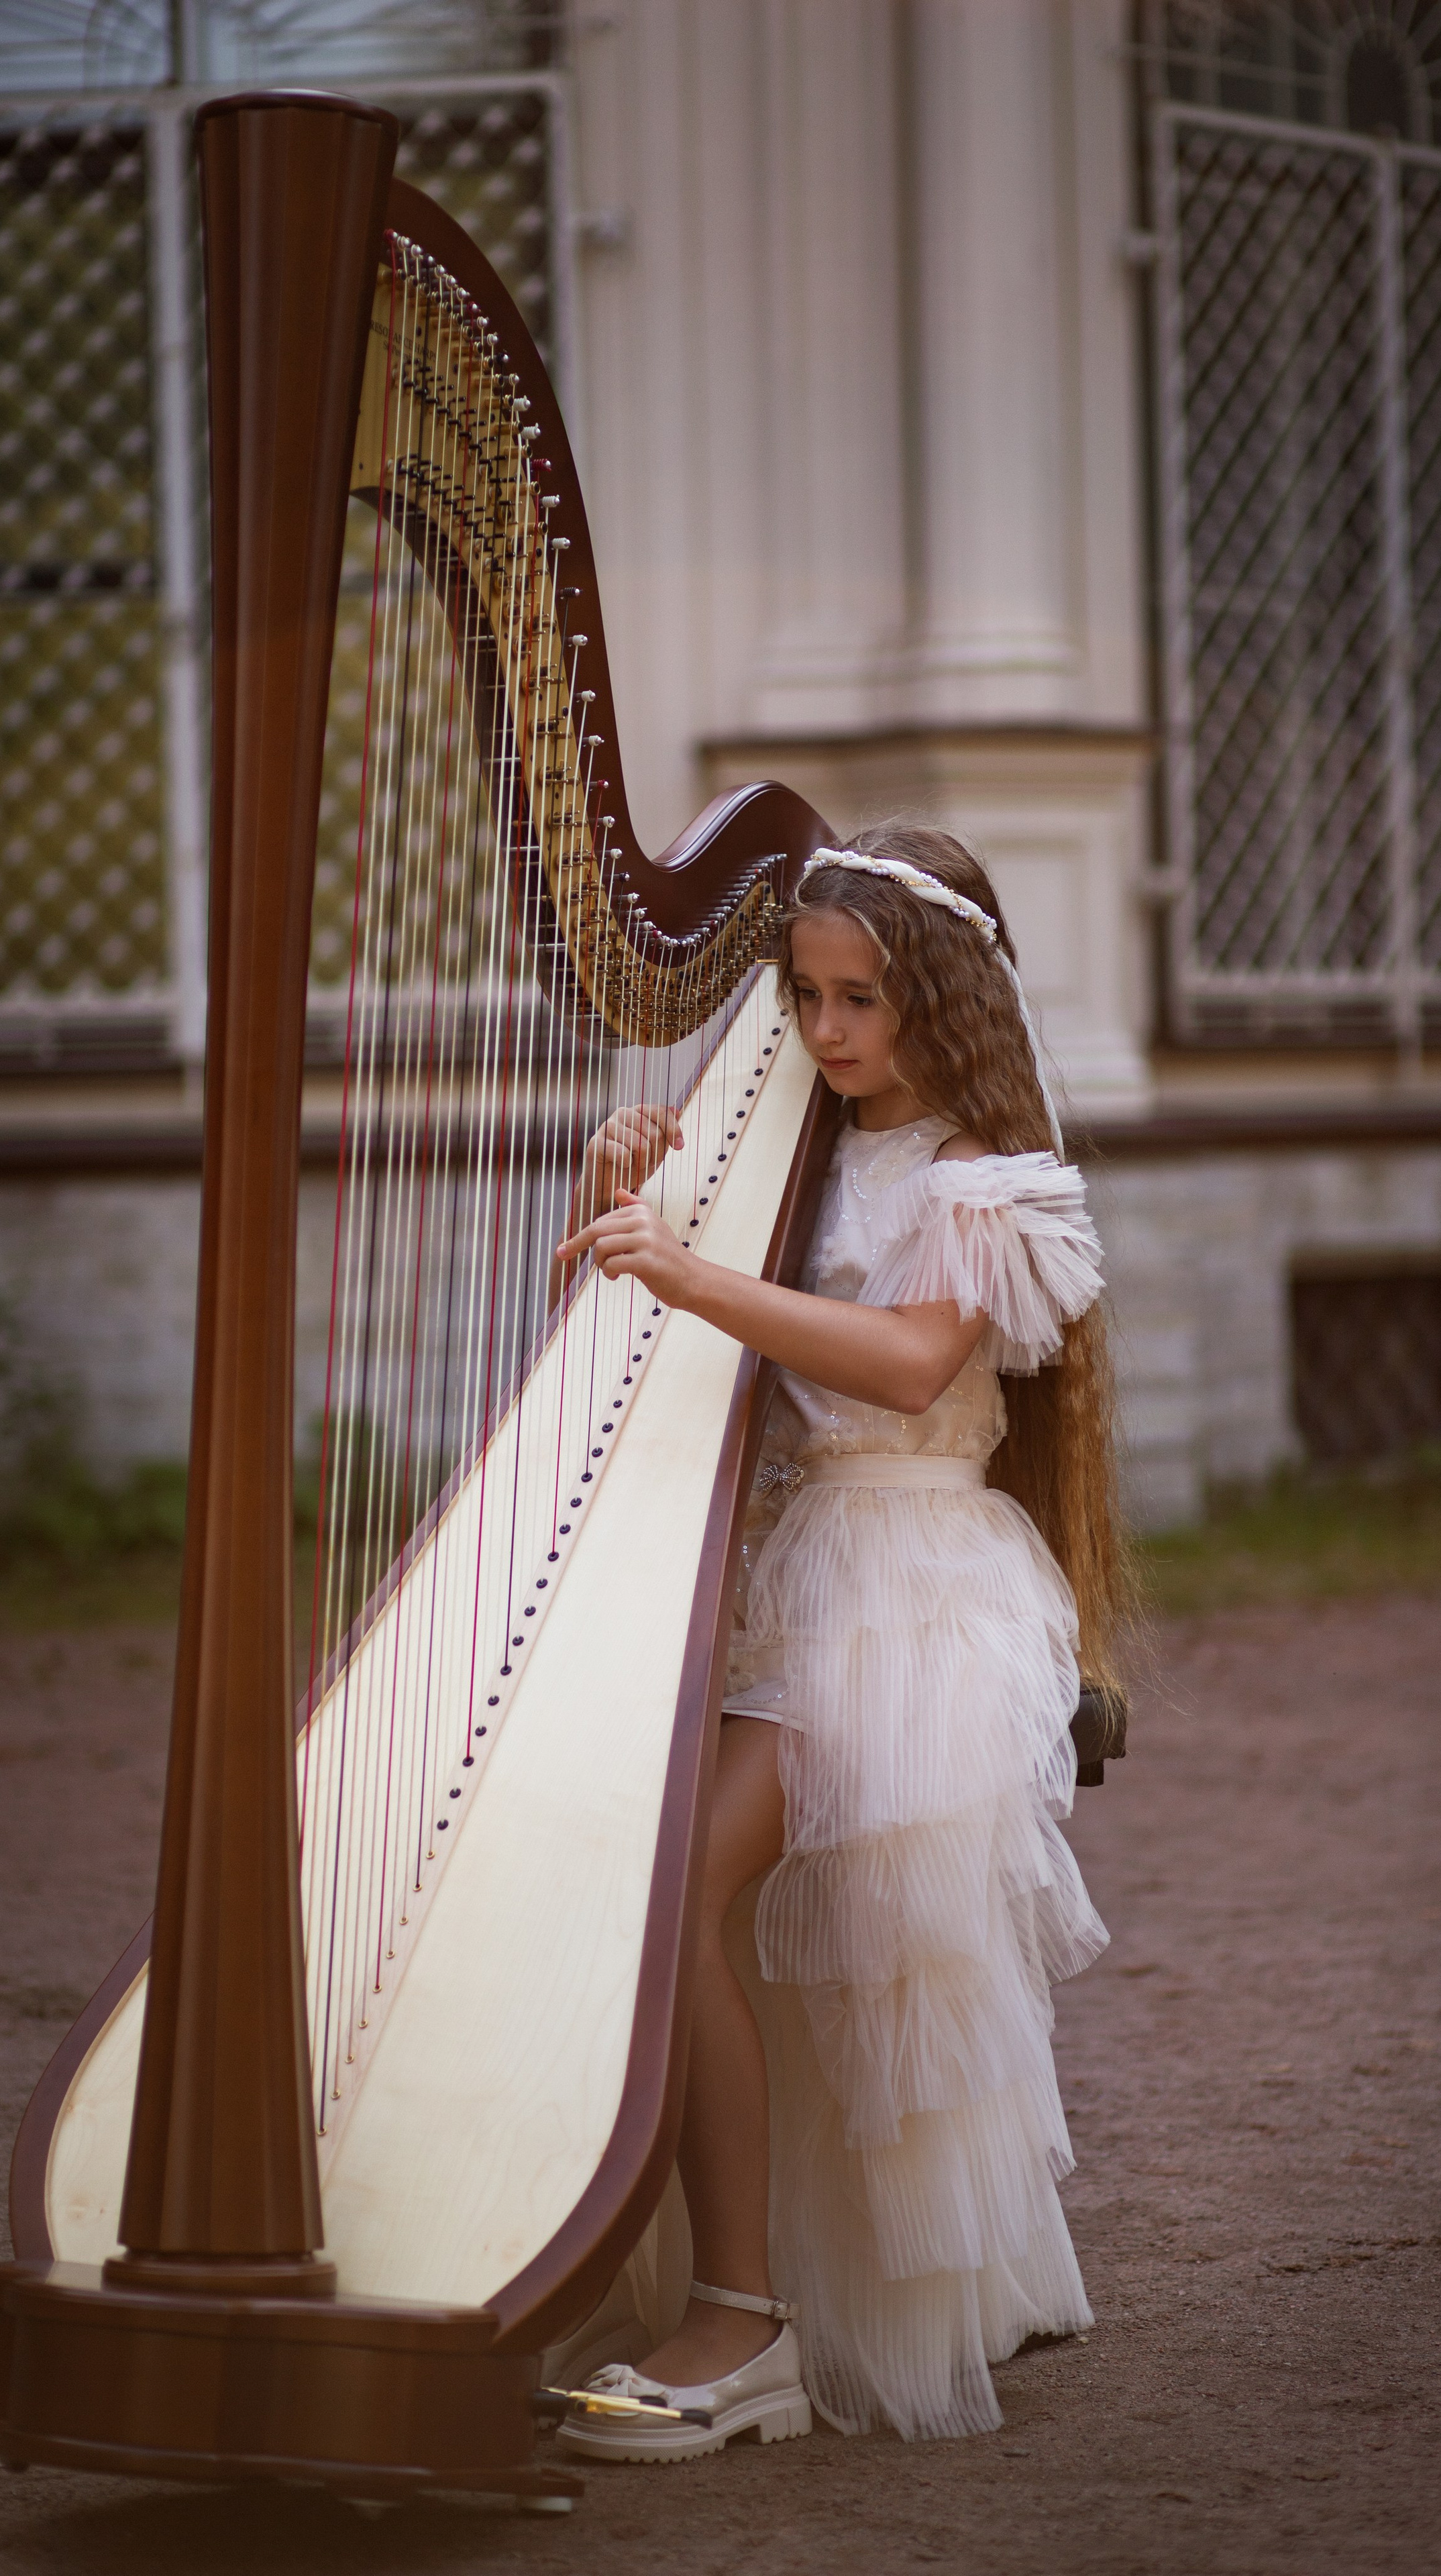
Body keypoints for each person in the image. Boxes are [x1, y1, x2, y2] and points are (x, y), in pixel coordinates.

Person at [551, 825, 1124, 2455]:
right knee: (690, 1912)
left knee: (688, 1900)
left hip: (907, 1599)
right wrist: (623, 1207)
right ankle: (734, 2281)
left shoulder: (985, 1188)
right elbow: (608, 1340)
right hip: (788, 1579)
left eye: (859, 999)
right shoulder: (781, 1162)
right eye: (802, 998)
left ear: (938, 998)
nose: (826, 1034)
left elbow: (892, 1364)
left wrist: (694, 1272)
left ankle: (744, 2324)